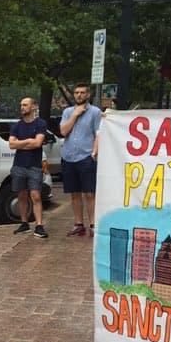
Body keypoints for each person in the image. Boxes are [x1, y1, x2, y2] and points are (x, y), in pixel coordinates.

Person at [60, 82, 101, 238]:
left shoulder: (95, 112)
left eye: (82, 92)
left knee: (90, 193)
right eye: (76, 92)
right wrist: (75, 115)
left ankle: (93, 225)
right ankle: (78, 224)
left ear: (88, 94)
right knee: (74, 193)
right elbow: (63, 131)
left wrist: (94, 153)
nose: (79, 95)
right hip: (69, 157)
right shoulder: (67, 112)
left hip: (86, 157)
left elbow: (98, 134)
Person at [9, 97, 48, 239]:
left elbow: (37, 143)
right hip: (19, 165)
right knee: (21, 195)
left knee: (36, 195)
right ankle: (24, 223)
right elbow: (11, 144)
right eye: (21, 105)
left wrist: (21, 143)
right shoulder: (16, 126)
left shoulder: (40, 123)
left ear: (33, 107)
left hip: (34, 166)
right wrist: (28, 141)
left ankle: (39, 225)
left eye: (25, 105)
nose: (22, 107)